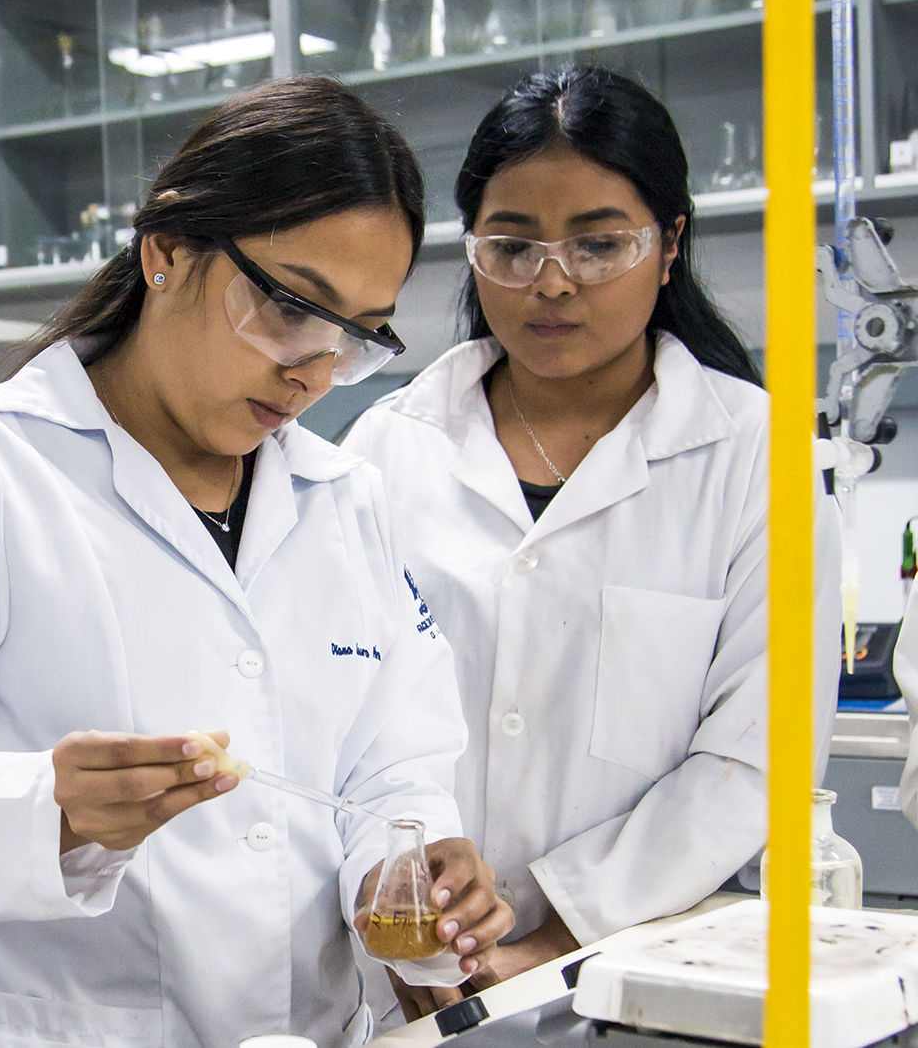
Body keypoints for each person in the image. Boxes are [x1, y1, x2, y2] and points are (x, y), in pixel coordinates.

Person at [0, 76, 513, 1048]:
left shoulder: (346, 496)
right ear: (166, 252)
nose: (314, 369)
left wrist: (404, 857)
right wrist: (55, 809)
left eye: (353, 334)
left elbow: (393, 764)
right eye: (292, 307)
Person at [342, 66, 841, 1012]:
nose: (552, 281)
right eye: (512, 246)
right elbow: (346, 721)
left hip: (638, 971)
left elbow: (753, 758)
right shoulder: (384, 448)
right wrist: (417, 933)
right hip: (402, 974)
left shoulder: (756, 459)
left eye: (600, 243)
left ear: (669, 245)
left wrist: (547, 941)